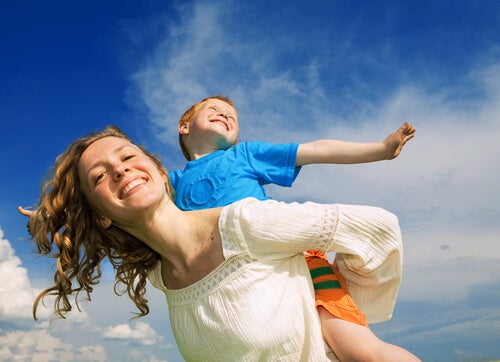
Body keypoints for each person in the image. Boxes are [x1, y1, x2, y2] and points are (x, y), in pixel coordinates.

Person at [19, 126, 417, 361]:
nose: (120, 168)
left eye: (127, 156)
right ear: (101, 214)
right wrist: (56, 216)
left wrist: (336, 302)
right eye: (100, 177)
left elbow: (377, 231)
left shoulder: (247, 222)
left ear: (159, 172)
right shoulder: (160, 274)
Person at [173, 95, 419, 361]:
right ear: (184, 125)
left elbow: (315, 149)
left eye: (233, 116)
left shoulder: (242, 155)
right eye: (214, 109)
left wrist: (380, 150)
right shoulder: (172, 184)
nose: (226, 115)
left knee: (357, 349)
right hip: (249, 287)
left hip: (301, 264)